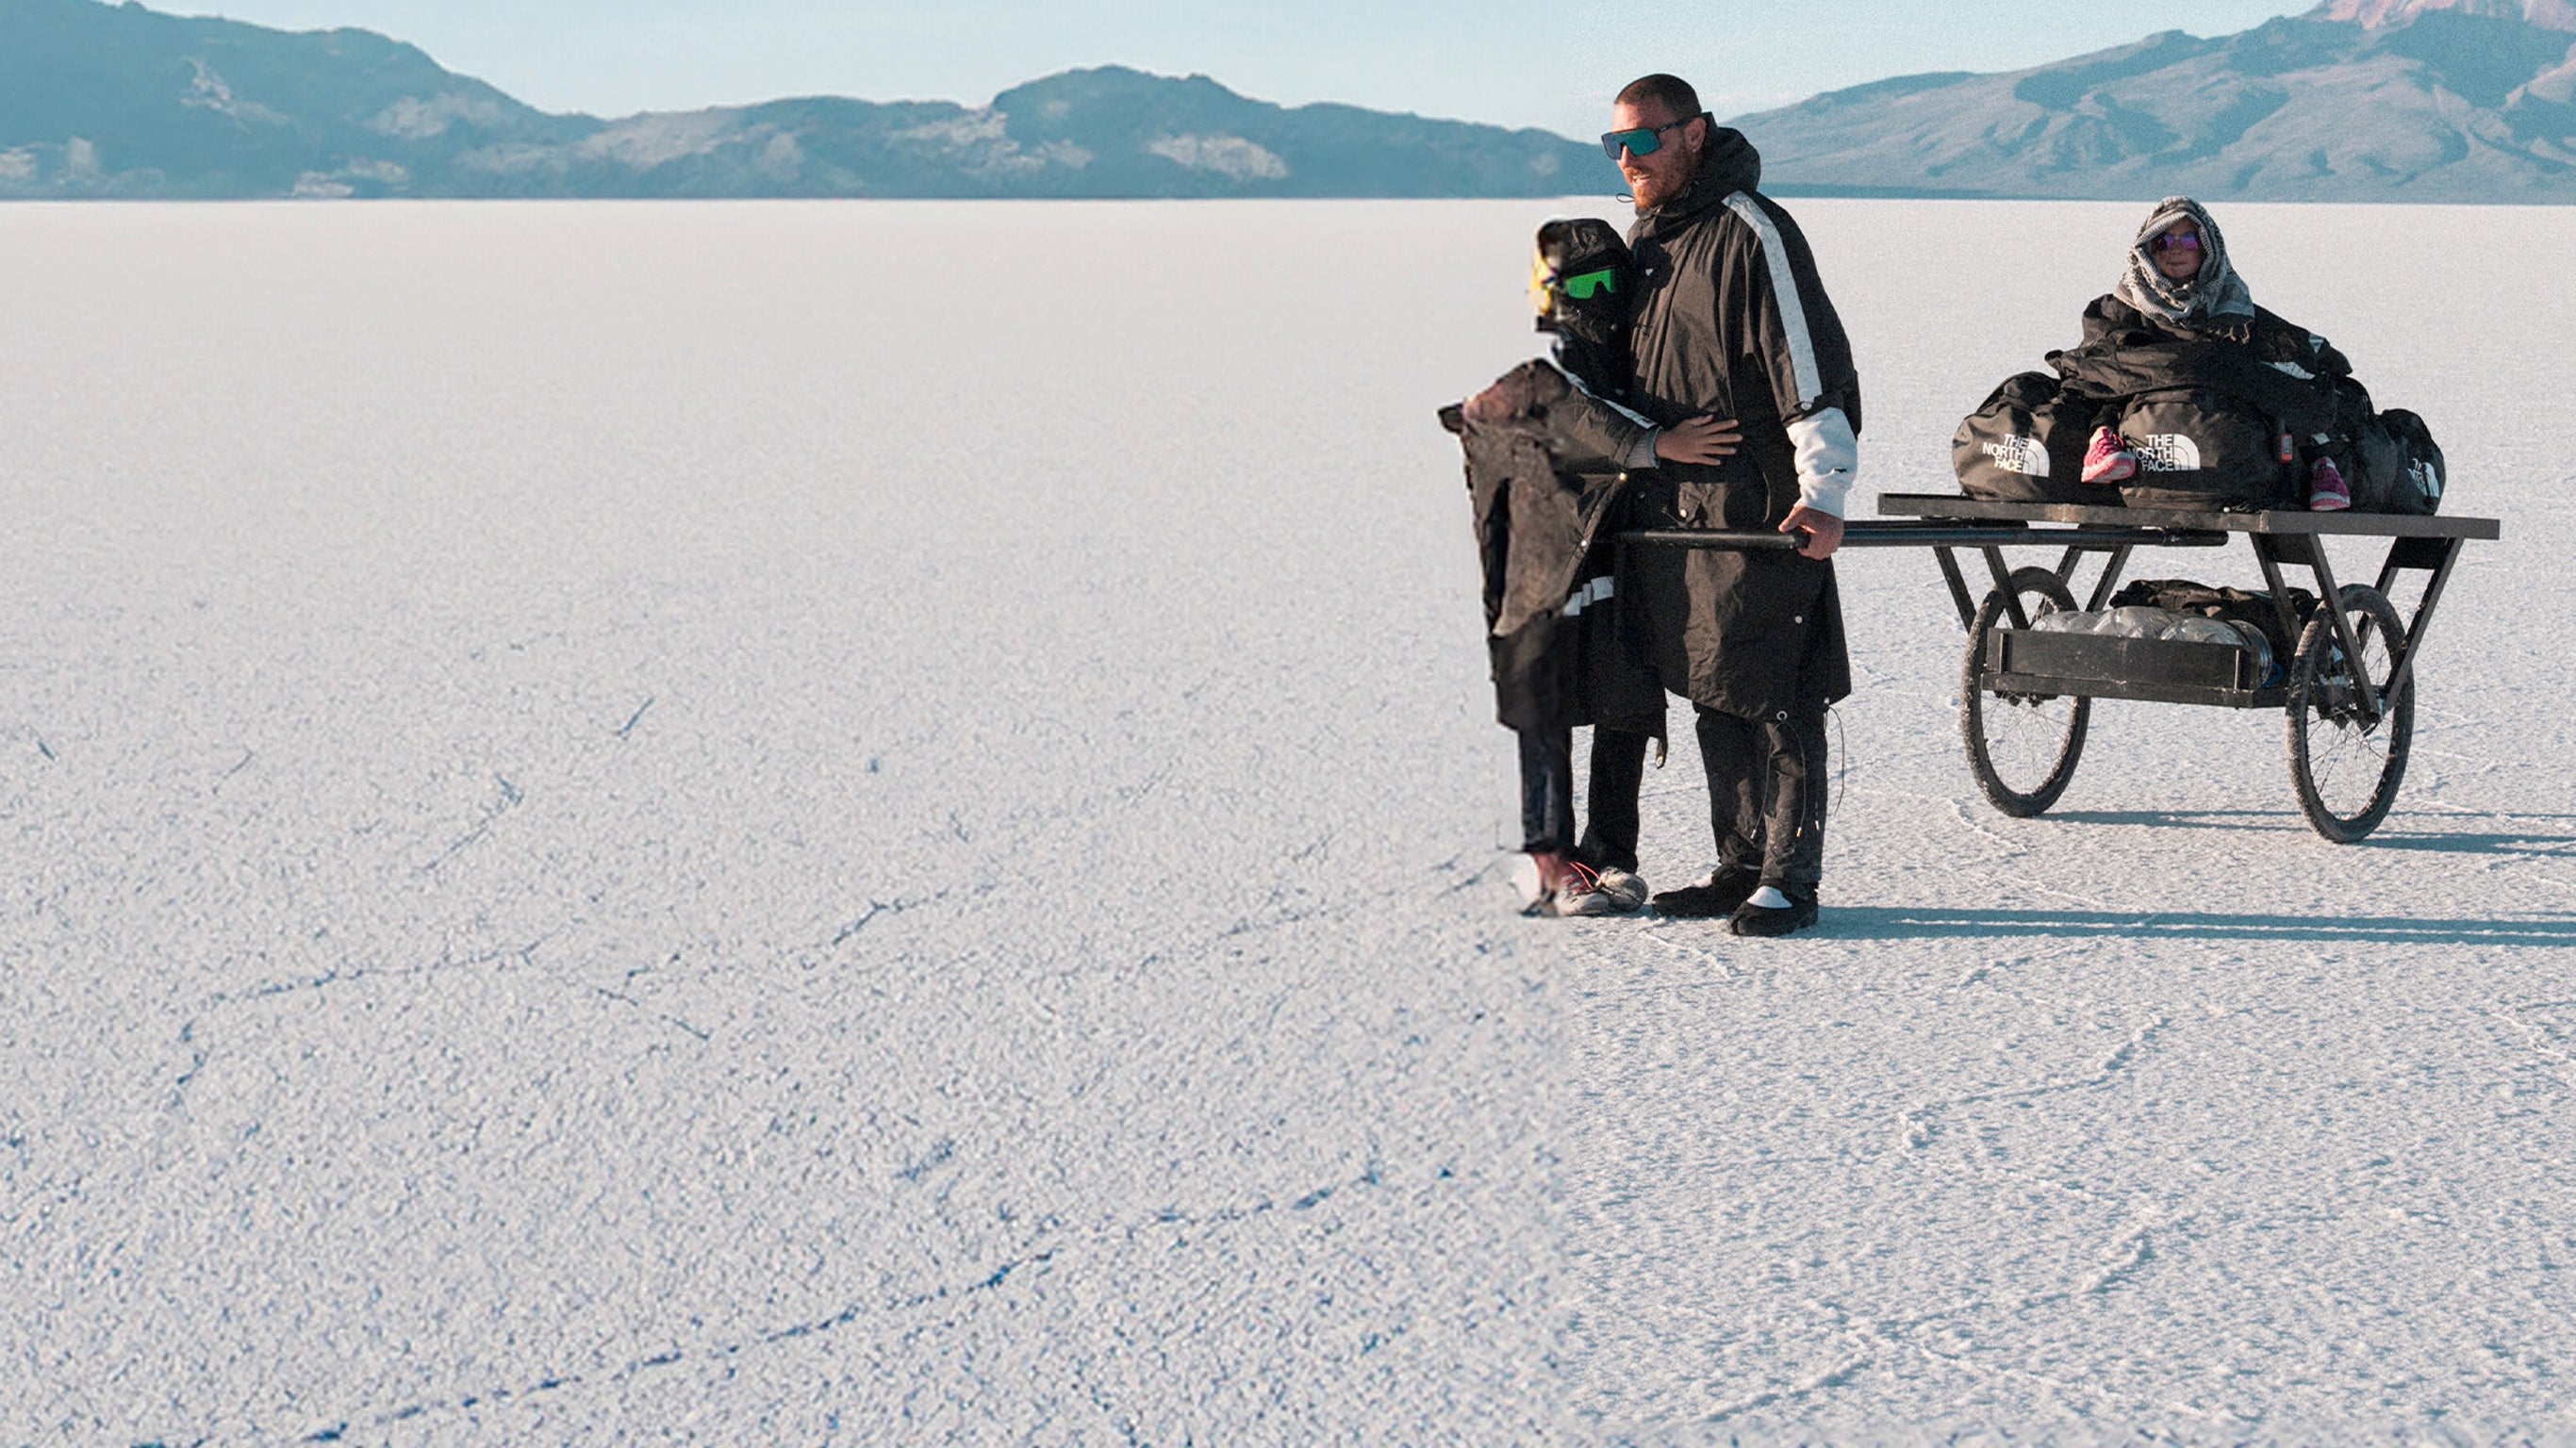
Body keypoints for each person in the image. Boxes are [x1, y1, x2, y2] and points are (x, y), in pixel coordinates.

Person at [1599, 74, 1861, 937]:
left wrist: (1823, 492)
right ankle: (1737, 864)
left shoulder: (1753, 229)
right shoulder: (1650, 240)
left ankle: (1790, 876)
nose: (1628, 159)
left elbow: (1809, 369)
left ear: (1696, 134)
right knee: (1714, 683)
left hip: (1762, 508)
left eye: (1644, 140)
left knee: (1777, 691)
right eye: (1616, 144)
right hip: (1679, 514)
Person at [1446, 219, 1738, 916]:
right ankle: (1550, 862)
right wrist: (1656, 443)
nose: (1598, 298)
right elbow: (1565, 411)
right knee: (1545, 707)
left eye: (1611, 281)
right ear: (1547, 290)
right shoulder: (1535, 366)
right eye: (1581, 285)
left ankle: (1610, 855)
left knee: (1623, 700)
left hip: (1614, 552)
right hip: (1541, 567)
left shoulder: (1633, 361)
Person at [2069, 197, 2354, 510]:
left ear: (2207, 249)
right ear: (2149, 250)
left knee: (2277, 381)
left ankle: (2321, 465)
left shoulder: (2231, 306)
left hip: (2220, 430)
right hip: (2142, 416)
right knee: (2112, 379)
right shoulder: (2122, 307)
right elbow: (2095, 364)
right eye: (2164, 240)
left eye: (2189, 240)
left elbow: (2282, 342)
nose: (2176, 249)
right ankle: (2103, 440)